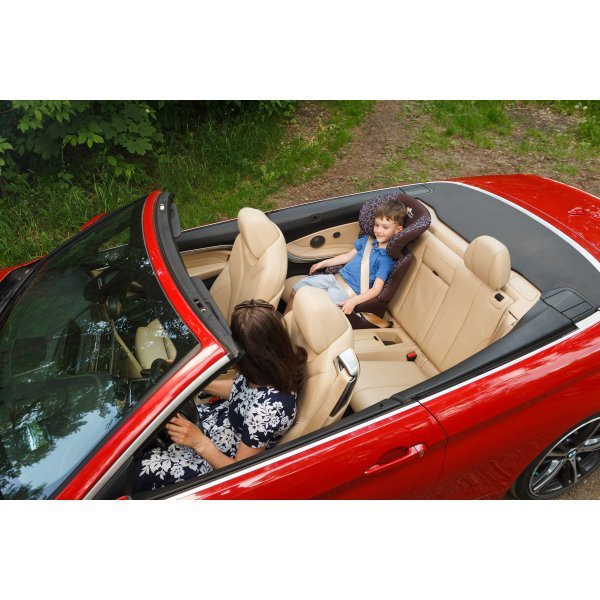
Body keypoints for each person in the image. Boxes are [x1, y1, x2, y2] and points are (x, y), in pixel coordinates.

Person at [133, 299, 307, 493]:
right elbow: (240, 390)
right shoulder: (271, 368)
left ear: (250, 356)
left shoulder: (266, 412)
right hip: (218, 423)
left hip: (219, 456)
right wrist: (196, 381)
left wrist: (198, 441)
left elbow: (241, 473)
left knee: (143, 470)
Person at [284, 199, 406, 316]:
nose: (378, 230)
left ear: (398, 230)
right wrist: (324, 263)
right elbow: (347, 256)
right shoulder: (367, 241)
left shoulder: (386, 259)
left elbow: (376, 290)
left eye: (385, 227)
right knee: (298, 288)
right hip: (334, 279)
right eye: (377, 225)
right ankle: (283, 323)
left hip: (347, 292)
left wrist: (354, 301)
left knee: (311, 307)